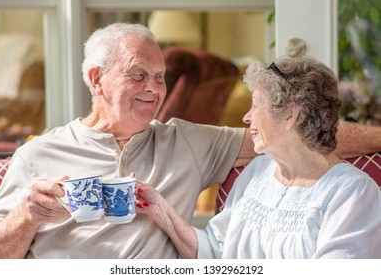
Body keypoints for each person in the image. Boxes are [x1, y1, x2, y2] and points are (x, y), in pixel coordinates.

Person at [0, 23, 379, 259]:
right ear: (96, 79)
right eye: (138, 75)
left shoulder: (187, 140)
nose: (154, 89)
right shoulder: (37, 153)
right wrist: (28, 216)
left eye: (160, 77)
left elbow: (297, 135)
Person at [136, 56, 381, 259]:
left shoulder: (352, 192)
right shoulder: (258, 170)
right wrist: (159, 208)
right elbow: (213, 251)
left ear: (290, 115)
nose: (246, 117)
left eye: (256, 106)